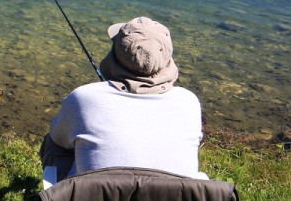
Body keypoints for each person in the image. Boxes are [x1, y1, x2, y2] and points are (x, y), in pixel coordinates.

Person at [40, 16, 205, 181]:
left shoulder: (84, 98)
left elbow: (58, 138)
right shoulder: (189, 102)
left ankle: (52, 199)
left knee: (54, 142)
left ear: (114, 56)